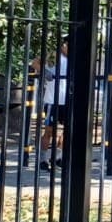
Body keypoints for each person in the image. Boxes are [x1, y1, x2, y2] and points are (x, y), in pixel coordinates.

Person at [38, 40, 70, 170]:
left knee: (68, 130)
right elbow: (35, 63)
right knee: (49, 131)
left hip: (67, 101)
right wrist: (46, 72)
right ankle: (43, 159)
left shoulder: (73, 59)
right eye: (67, 45)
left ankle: (58, 157)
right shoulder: (54, 56)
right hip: (52, 100)